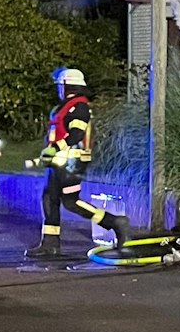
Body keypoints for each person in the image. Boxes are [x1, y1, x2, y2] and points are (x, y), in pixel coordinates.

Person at [27, 67, 128, 257]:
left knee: (70, 202)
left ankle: (114, 222)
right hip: (59, 163)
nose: (58, 90)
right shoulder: (67, 106)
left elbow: (76, 134)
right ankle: (50, 243)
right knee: (50, 199)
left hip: (71, 163)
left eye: (60, 86)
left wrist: (55, 148)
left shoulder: (79, 107)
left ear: (67, 86)